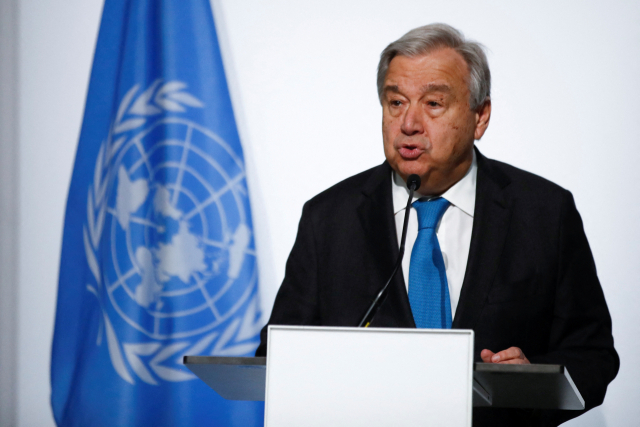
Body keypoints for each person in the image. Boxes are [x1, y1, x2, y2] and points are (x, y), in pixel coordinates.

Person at [256, 23, 618, 426]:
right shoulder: (329, 219)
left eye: (433, 104)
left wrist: (534, 382)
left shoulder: (543, 213)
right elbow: (276, 358)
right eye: (396, 102)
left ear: (480, 117)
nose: (409, 124)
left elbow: (593, 355)